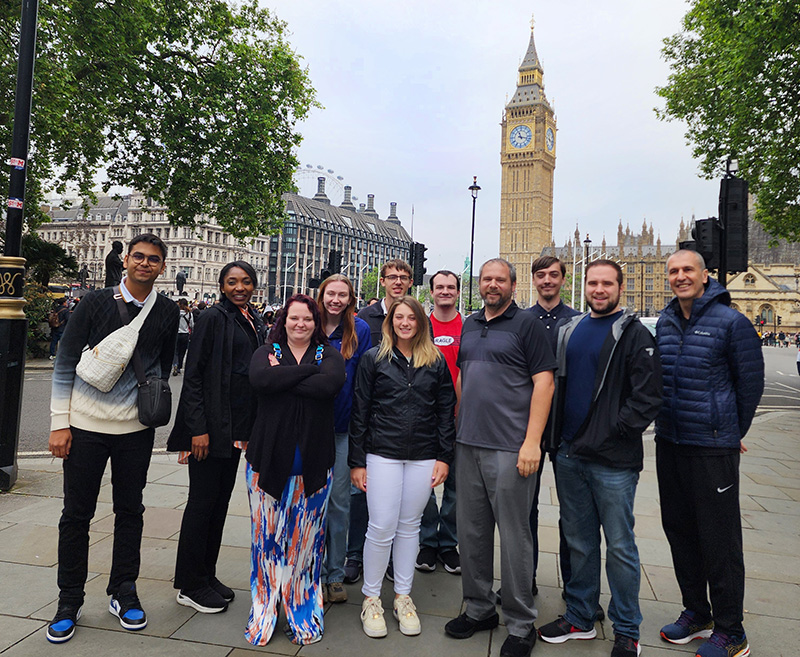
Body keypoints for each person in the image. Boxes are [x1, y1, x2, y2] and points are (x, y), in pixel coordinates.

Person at [46, 234, 178, 644]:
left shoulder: (168, 311)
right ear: (125, 260)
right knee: (75, 515)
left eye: (153, 259)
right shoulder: (94, 302)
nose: (144, 264)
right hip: (84, 426)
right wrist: (58, 422)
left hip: (135, 430)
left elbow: (165, 362)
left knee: (130, 512)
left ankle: (124, 590)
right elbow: (66, 359)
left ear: (162, 267)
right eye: (138, 256)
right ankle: (69, 600)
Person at [537, 260, 662, 657]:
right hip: (569, 453)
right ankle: (580, 615)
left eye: (607, 283)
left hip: (612, 459)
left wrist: (612, 429)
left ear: (620, 288)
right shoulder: (571, 329)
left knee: (621, 545)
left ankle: (627, 628)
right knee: (580, 541)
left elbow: (647, 397)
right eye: (593, 282)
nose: (599, 289)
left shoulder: (634, 333)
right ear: (584, 286)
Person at [445, 258, 555, 657]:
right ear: (480, 284)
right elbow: (462, 377)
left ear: (512, 284)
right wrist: (462, 421)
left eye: (500, 279)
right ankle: (478, 608)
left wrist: (532, 443)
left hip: (511, 447)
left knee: (514, 537)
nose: (492, 285)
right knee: (471, 533)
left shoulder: (527, 325)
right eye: (486, 279)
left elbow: (544, 383)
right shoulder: (471, 323)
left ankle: (521, 622)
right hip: (468, 444)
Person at [655, 250, 763, 657]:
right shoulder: (666, 321)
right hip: (670, 441)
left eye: (688, 270)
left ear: (704, 276)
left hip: (711, 445)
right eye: (674, 271)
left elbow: (750, 384)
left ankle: (732, 630)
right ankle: (696, 611)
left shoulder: (731, 322)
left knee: (719, 539)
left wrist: (733, 431)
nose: (680, 277)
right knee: (679, 530)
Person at [349, 296, 456, 638]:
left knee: (410, 526)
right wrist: (357, 462)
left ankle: (402, 596)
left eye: (412, 317)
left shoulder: (435, 361)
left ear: (421, 322)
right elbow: (360, 411)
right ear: (390, 321)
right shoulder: (373, 359)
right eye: (399, 317)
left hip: (423, 455)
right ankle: (371, 598)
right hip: (383, 453)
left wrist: (444, 457)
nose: (405, 323)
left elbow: (444, 412)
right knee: (381, 526)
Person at [245, 294, 345, 646]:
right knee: (267, 542)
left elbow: (329, 385)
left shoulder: (328, 355)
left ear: (316, 323)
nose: (300, 325)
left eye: (307, 319)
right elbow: (260, 380)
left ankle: (301, 608)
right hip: (268, 464)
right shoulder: (265, 351)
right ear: (283, 320)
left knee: (305, 544)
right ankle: (266, 609)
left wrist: (283, 376)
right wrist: (305, 375)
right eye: (294, 318)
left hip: (313, 467)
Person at [167, 261, 265, 613]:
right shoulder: (212, 318)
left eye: (246, 282)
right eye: (232, 282)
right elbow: (193, 376)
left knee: (219, 505)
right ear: (222, 286)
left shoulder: (251, 318)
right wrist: (198, 429)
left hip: (235, 430)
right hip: (210, 429)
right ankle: (190, 584)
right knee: (202, 504)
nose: (240, 287)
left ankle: (206, 574)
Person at [344, 259, 414, 584]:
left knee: (399, 499)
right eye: (392, 277)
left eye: (403, 277)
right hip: (368, 414)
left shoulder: (415, 316)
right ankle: (355, 554)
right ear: (383, 281)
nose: (397, 282)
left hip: (399, 421)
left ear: (411, 282)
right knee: (362, 492)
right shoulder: (364, 319)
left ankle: (391, 559)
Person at [526, 256, 580, 599]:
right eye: (541, 275)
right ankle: (523, 580)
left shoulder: (578, 322)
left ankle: (575, 587)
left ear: (563, 280)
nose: (547, 281)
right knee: (523, 510)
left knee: (574, 514)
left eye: (554, 275)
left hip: (566, 429)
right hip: (527, 429)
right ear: (533, 280)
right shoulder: (521, 320)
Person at [317, 274, 371, 603]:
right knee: (309, 503)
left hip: (341, 429)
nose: (336, 300)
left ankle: (334, 573)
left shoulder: (359, 330)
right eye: (330, 294)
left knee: (338, 504)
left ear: (350, 299)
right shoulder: (307, 322)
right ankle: (309, 571)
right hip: (307, 428)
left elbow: (362, 383)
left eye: (342, 295)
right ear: (321, 295)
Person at [416, 270, 462, 575]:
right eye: (440, 287)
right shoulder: (421, 328)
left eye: (451, 287)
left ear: (458, 292)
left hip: (460, 419)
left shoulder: (470, 328)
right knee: (424, 485)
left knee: (457, 486)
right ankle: (428, 541)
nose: (445, 291)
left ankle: (449, 543)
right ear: (431, 292)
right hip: (424, 419)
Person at [172, 298, 194, 375]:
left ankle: (175, 364)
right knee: (182, 352)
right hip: (185, 334)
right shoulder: (189, 314)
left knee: (175, 351)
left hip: (176, 334)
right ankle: (179, 367)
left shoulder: (175, 312)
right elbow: (191, 325)